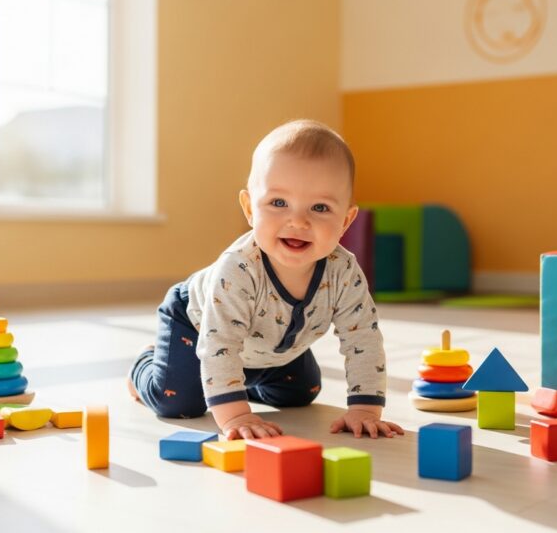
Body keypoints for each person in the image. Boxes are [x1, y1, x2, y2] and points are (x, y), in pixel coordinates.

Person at [127, 119, 403, 441]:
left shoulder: (344, 273)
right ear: (249, 208)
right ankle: (147, 364)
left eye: (320, 207)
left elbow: (363, 342)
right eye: (278, 203)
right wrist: (236, 415)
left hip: (268, 348)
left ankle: (239, 379)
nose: (298, 221)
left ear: (346, 221)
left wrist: (365, 410)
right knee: (177, 401)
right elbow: (222, 343)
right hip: (199, 324)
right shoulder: (239, 270)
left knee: (300, 394)